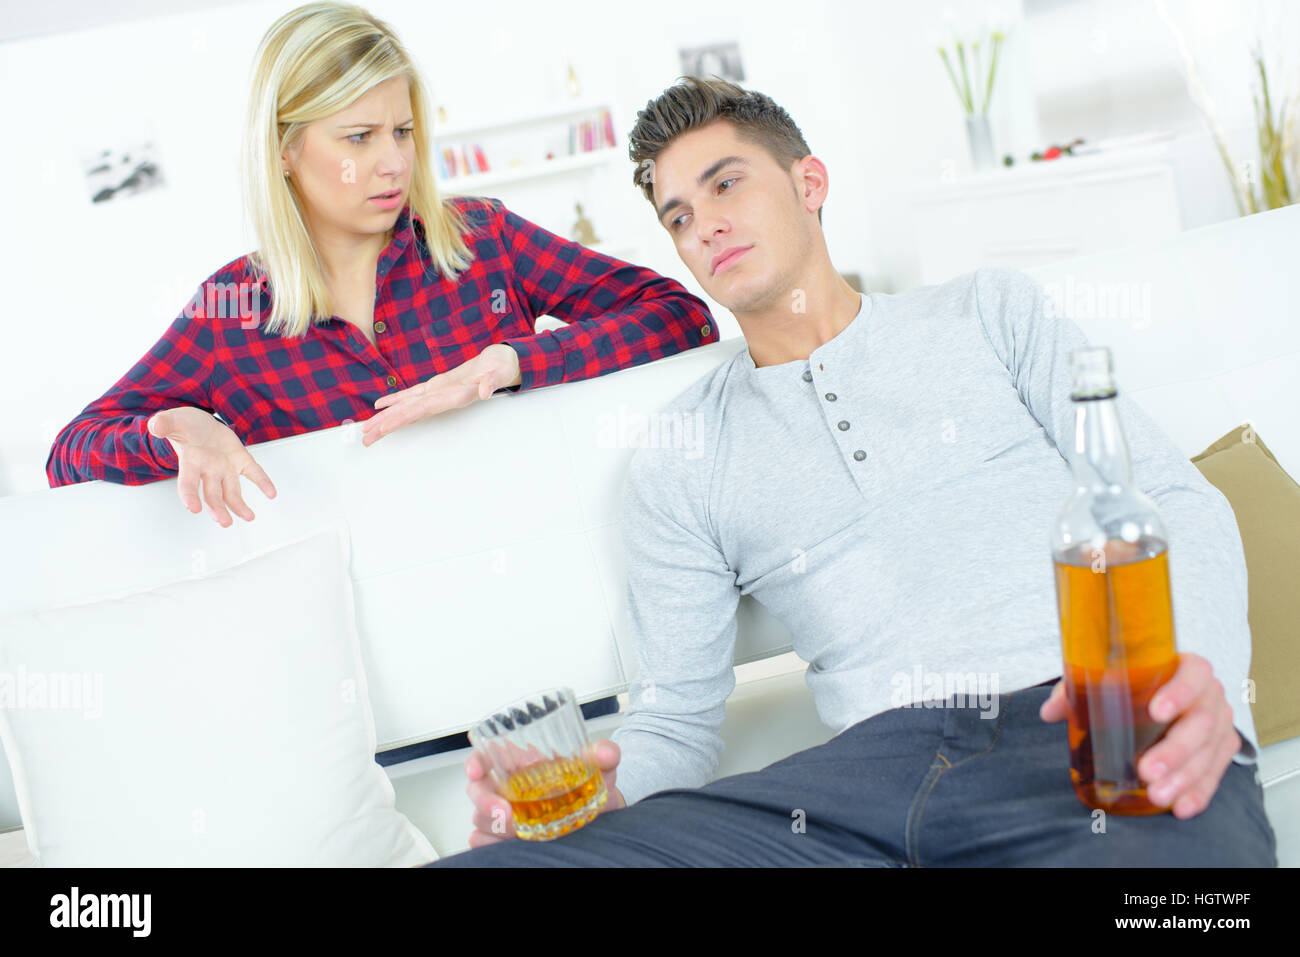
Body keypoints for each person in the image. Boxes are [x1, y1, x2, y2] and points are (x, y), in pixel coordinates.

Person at [431, 76, 1277, 867]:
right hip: (859, 787)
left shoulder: (988, 312)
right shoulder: (683, 451)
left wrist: (1195, 694)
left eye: (726, 185)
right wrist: (601, 798)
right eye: (679, 217)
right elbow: (675, 717)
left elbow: (1170, 500)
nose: (706, 226)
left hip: (1081, 719)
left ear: (810, 183)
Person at [45, 2, 718, 531]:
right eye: (358, 138)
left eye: (401, 131)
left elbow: (680, 320)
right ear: (284, 149)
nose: (394, 162)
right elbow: (70, 452)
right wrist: (176, 435)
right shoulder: (229, 311)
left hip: (536, 588)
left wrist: (510, 362)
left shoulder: (481, 238)